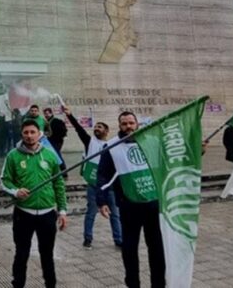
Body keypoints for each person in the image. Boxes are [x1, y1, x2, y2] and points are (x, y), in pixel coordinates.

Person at [96, 111, 164, 288]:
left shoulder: (152, 141)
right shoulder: (111, 146)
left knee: (157, 248)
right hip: (129, 205)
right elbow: (103, 175)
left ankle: (159, 284)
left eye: (131, 123)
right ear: (119, 126)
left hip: (153, 204)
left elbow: (173, 161)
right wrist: (101, 201)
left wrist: (199, 150)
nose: (128, 127)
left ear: (137, 124)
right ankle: (132, 283)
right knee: (130, 248)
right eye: (124, 124)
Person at [0, 120, 68, 288]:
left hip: (47, 214)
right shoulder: (13, 156)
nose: (29, 136)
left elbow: (59, 184)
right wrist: (16, 191)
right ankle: (18, 284)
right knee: (21, 254)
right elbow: (4, 180)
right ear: (21, 134)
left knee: (47, 255)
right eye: (26, 133)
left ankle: (50, 285)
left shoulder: (51, 155)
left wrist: (63, 210)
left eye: (32, 132)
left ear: (39, 134)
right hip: (24, 214)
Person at [62, 107, 121, 249]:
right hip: (94, 185)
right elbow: (78, 129)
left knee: (115, 214)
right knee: (91, 213)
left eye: (100, 127)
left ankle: (119, 239)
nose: (96, 128)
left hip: (110, 185)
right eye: (95, 127)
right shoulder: (90, 143)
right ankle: (87, 238)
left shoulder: (113, 145)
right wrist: (69, 115)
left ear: (106, 131)